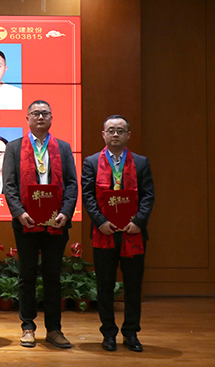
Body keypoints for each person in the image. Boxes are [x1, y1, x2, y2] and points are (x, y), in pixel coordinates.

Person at [3, 100, 77, 349]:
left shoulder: (63, 148)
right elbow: (9, 185)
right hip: (26, 222)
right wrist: (19, 212)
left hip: (56, 223)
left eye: (45, 113)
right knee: (27, 276)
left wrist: (66, 212)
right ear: (27, 118)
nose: (40, 117)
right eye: (35, 113)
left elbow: (72, 183)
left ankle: (54, 329)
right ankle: (28, 327)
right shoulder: (14, 147)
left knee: (53, 277)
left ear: (51, 118)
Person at [81, 115, 154, 352]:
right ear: (103, 134)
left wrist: (139, 222)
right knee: (105, 285)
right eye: (111, 130)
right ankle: (108, 333)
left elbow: (148, 196)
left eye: (120, 131)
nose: (115, 134)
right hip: (104, 232)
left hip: (134, 233)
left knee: (133, 286)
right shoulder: (91, 162)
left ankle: (131, 333)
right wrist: (100, 222)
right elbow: (88, 196)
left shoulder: (141, 162)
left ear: (128, 135)